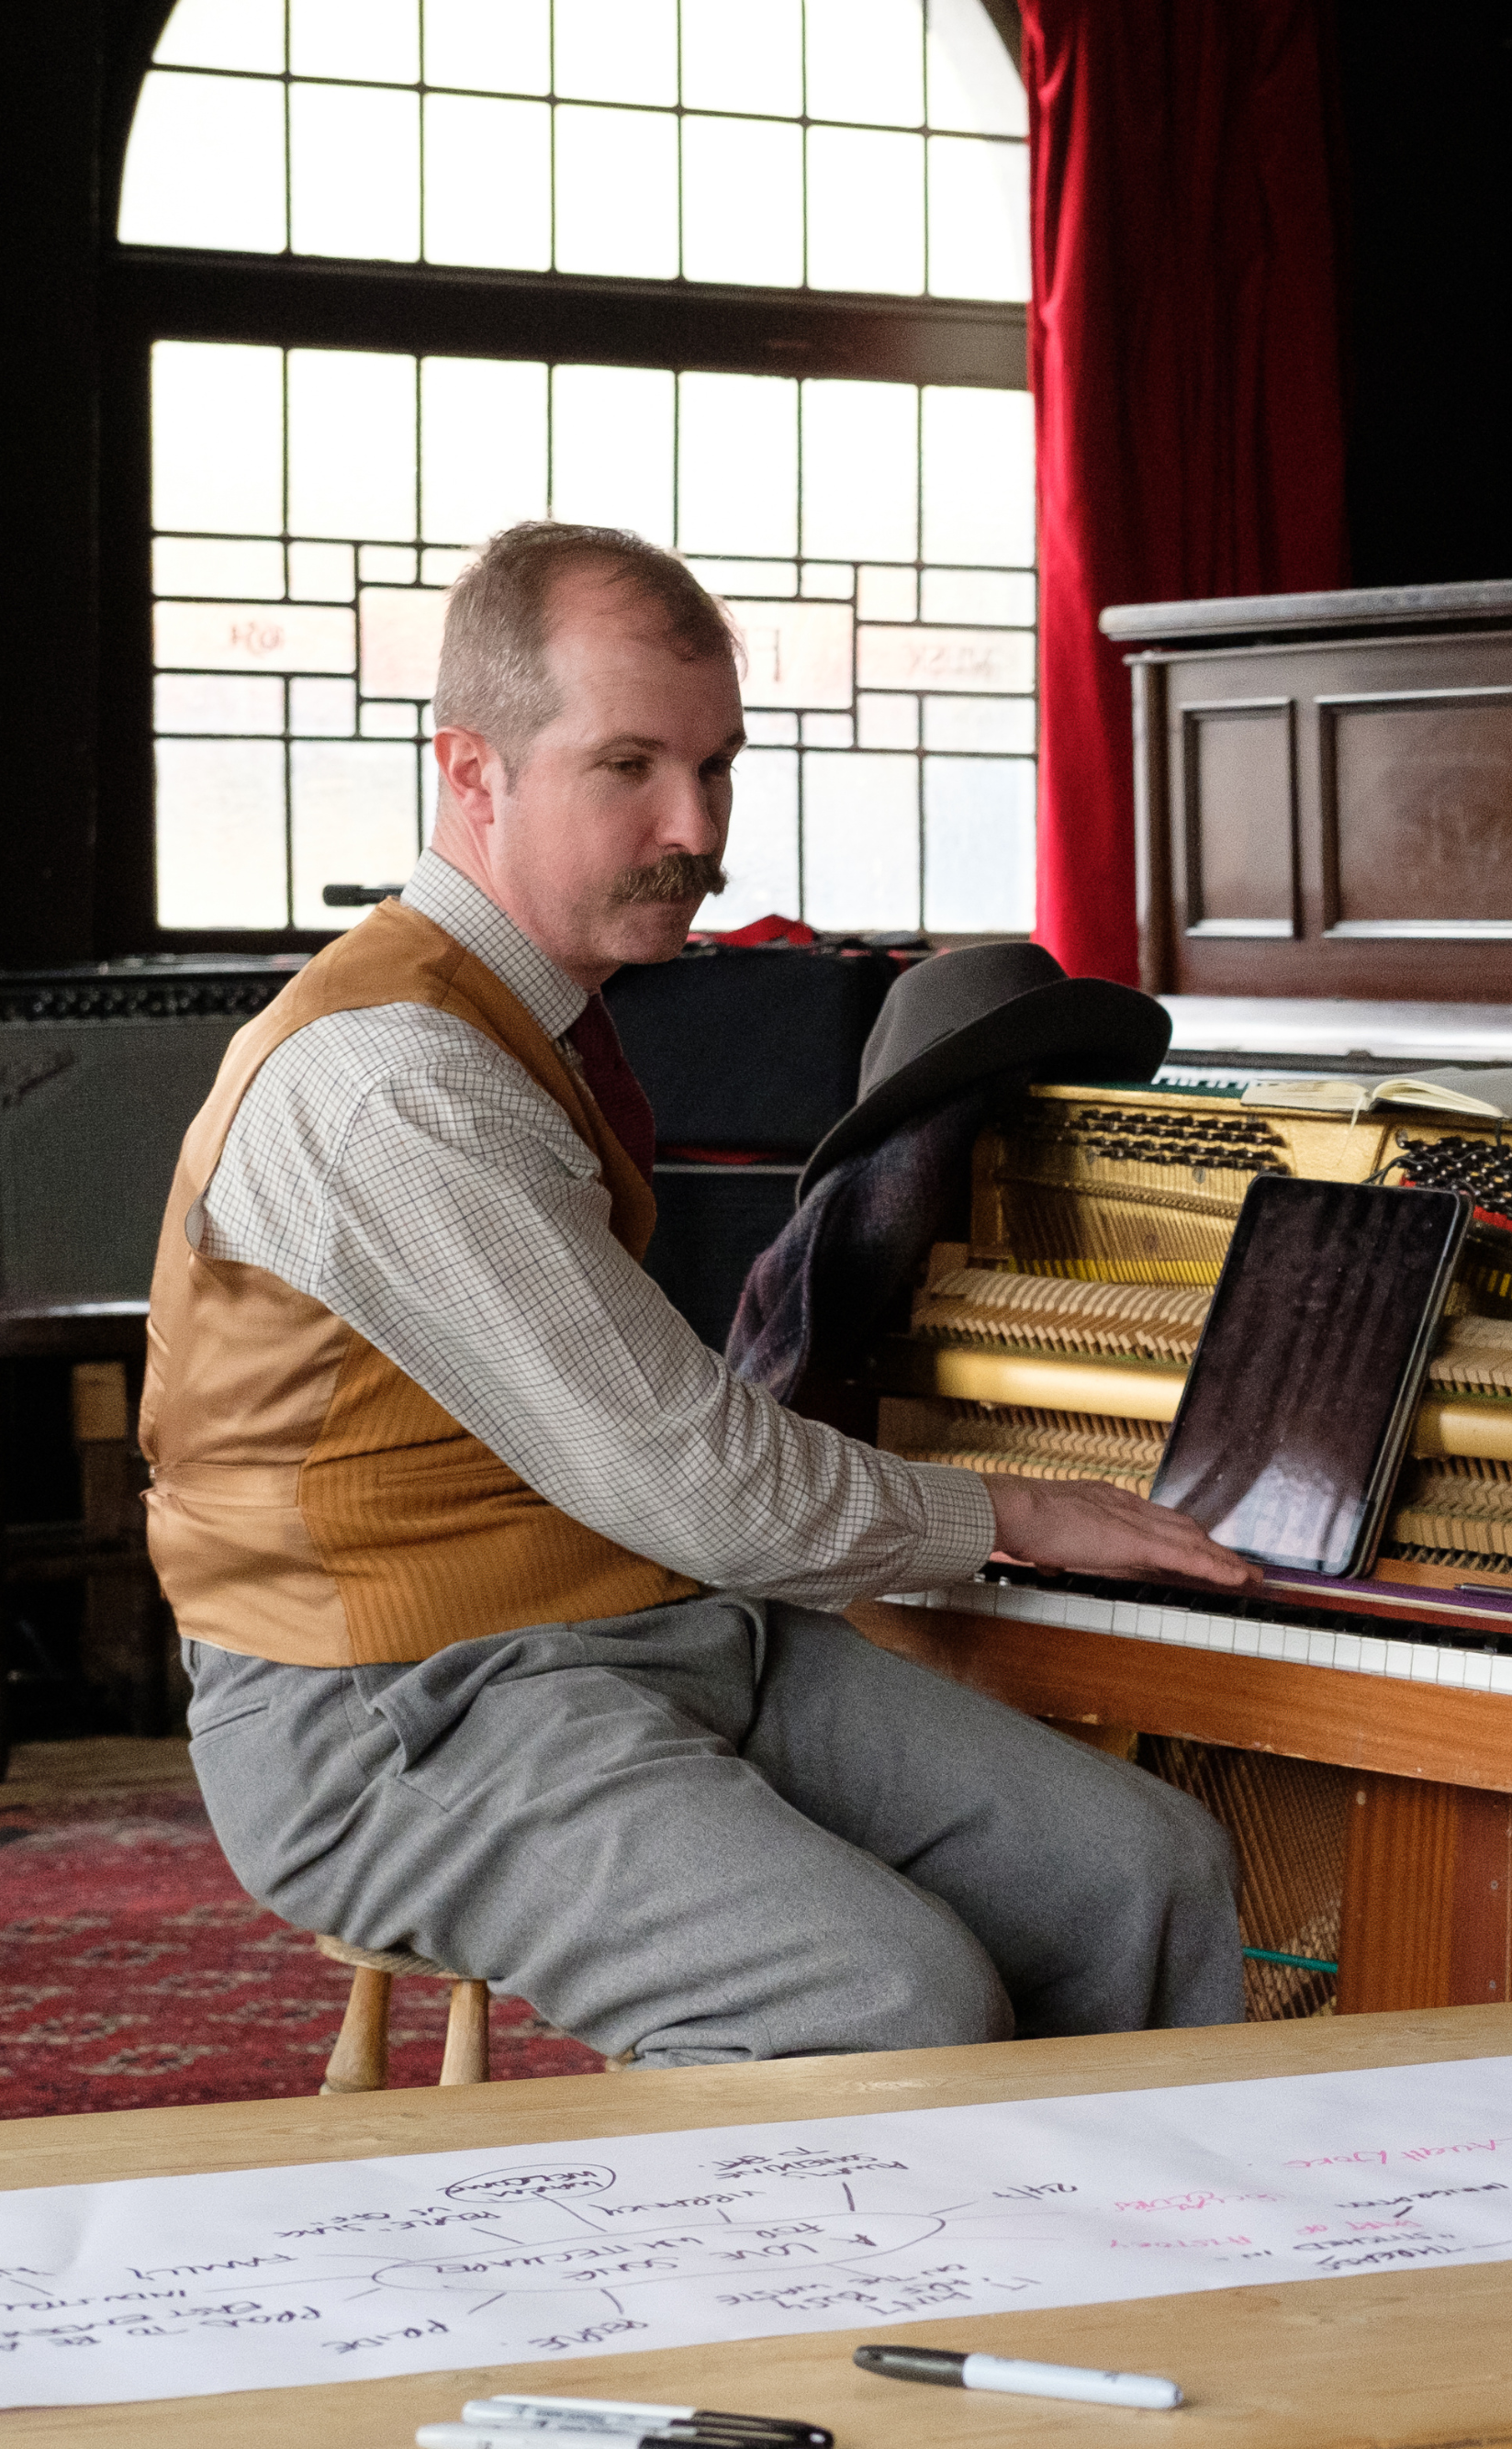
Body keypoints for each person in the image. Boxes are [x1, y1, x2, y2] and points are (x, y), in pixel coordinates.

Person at [140, 521, 1260, 2064]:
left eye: (718, 766)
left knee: (1146, 1875)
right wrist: (1013, 1508)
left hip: (659, 1626)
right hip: (390, 1706)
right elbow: (704, 1485)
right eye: (628, 769)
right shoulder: (391, 1080)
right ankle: (789, 2307)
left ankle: (1090, 2289)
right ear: (472, 771)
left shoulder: (537, 1019)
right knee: (876, 1996)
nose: (696, 826)